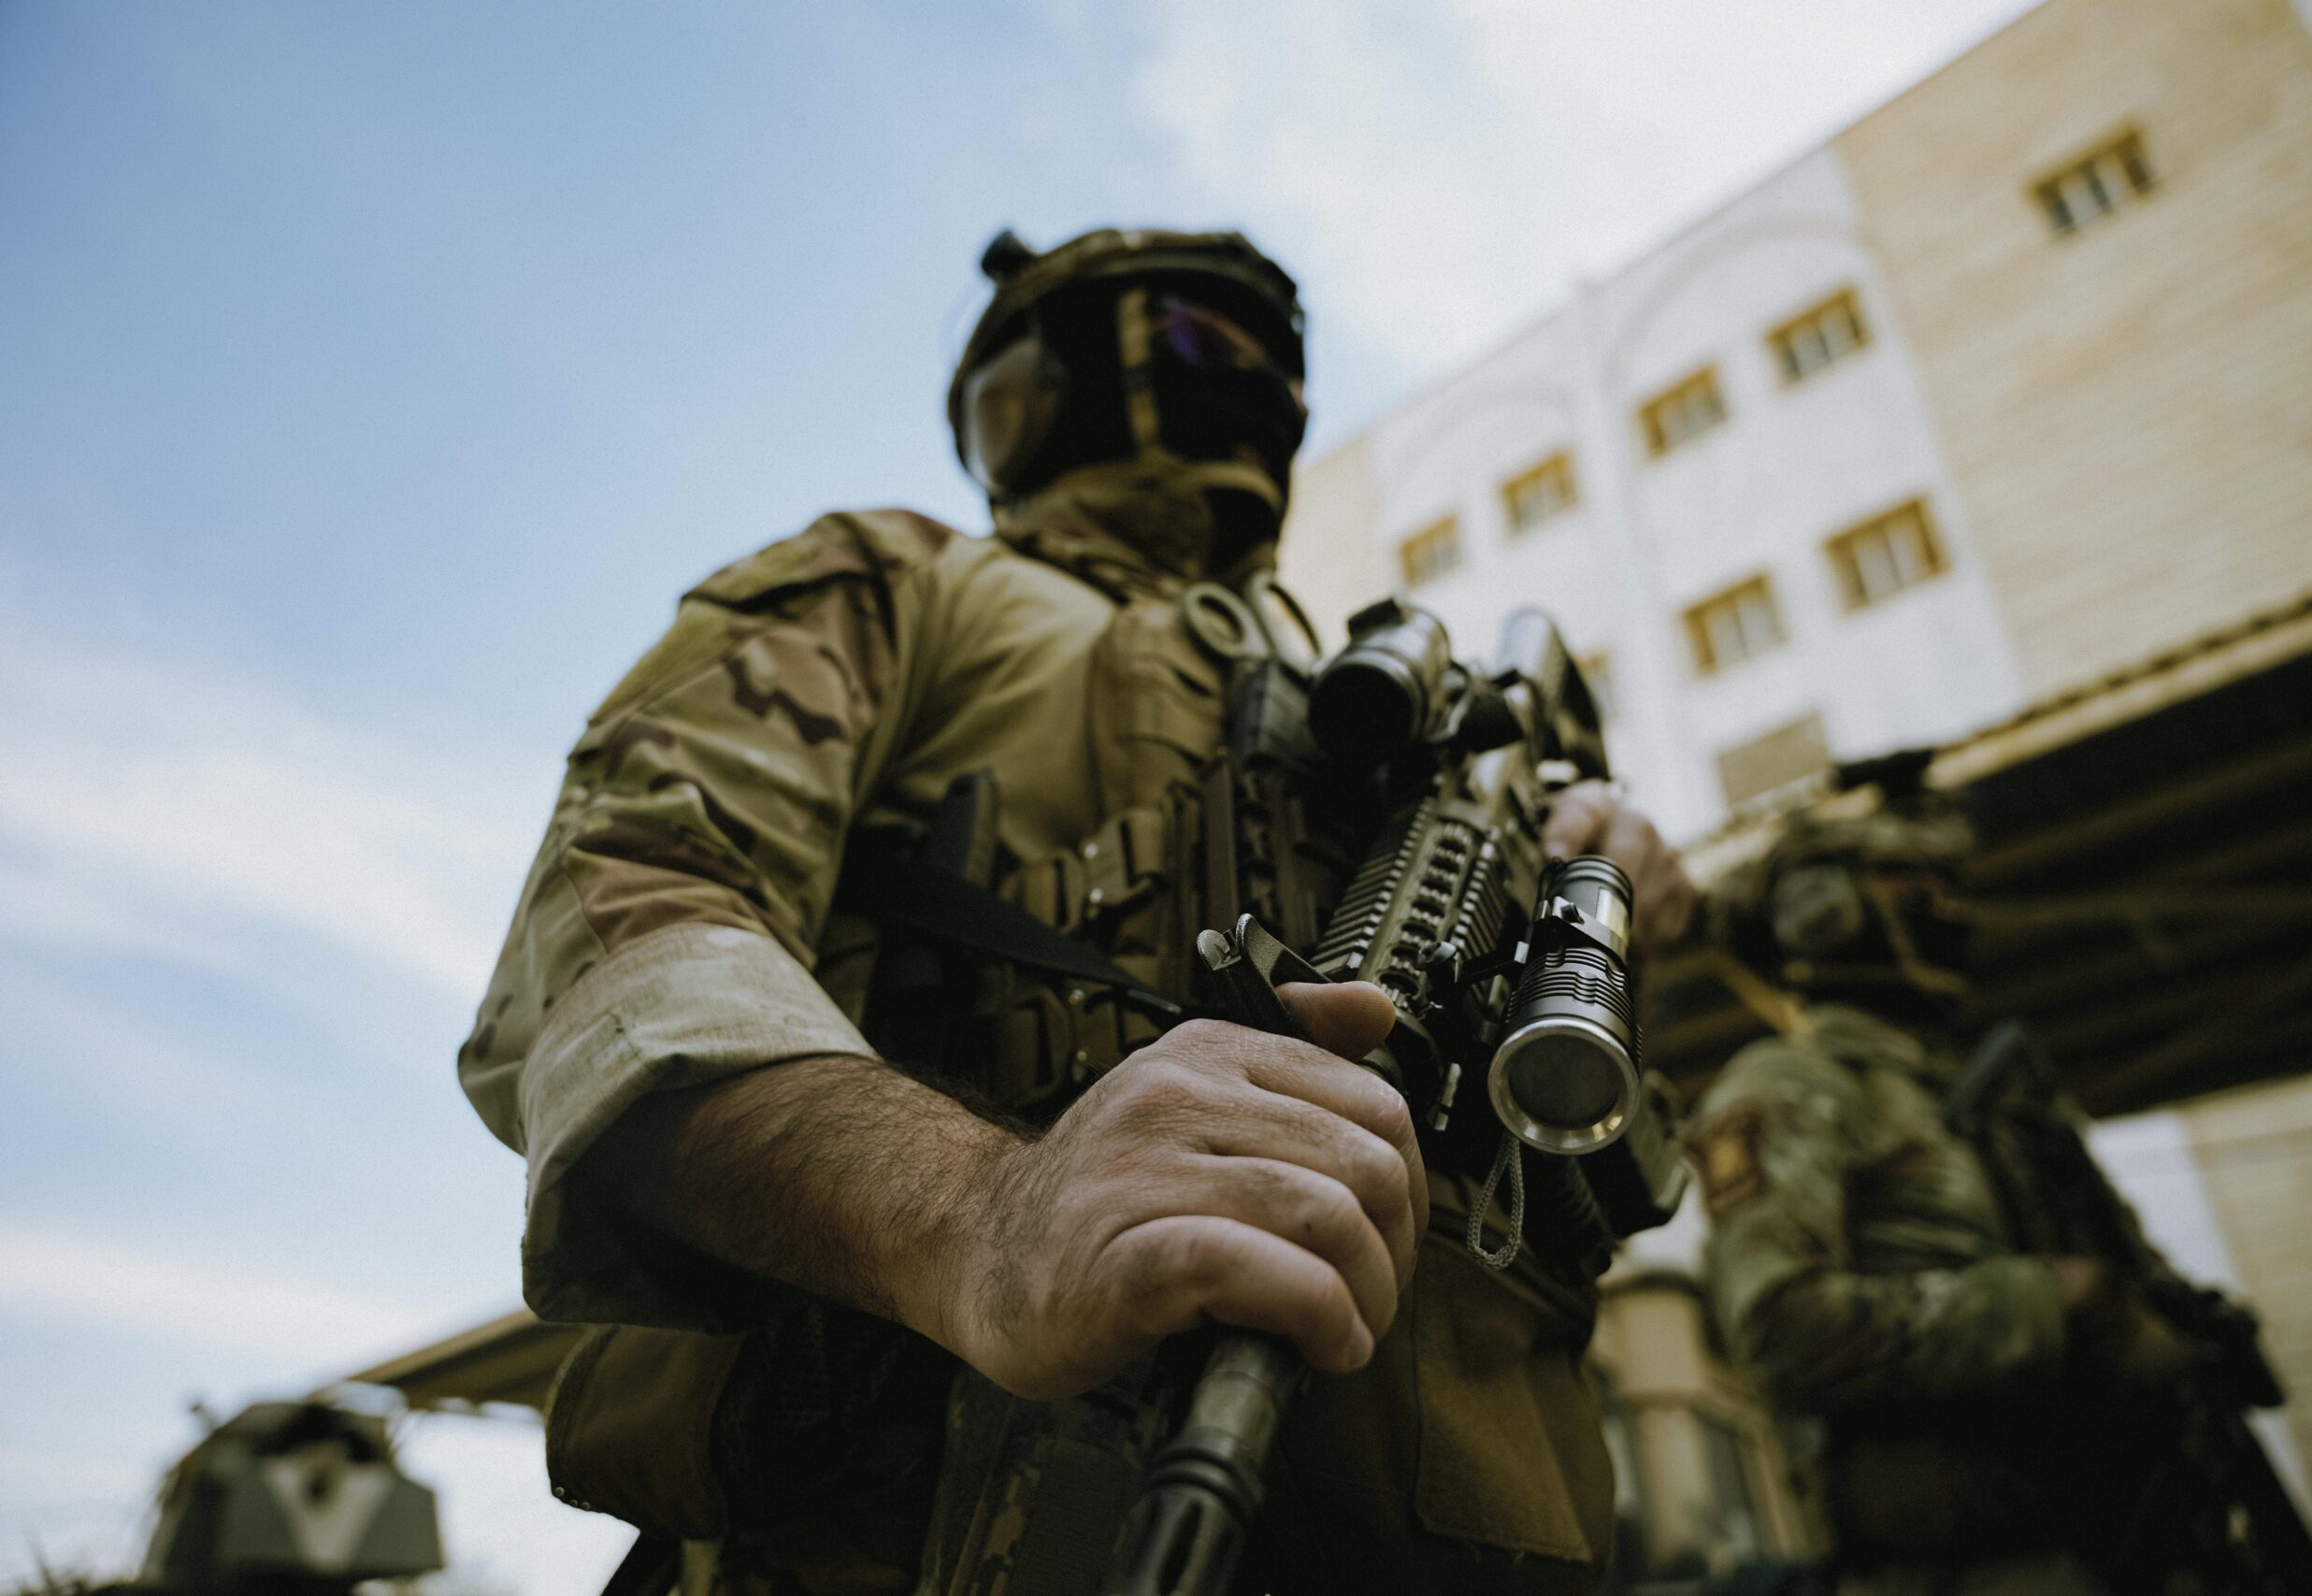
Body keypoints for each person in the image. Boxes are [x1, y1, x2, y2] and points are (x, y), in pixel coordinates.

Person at [458, 227, 1697, 1596]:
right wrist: (978, 1209)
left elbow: (1579, 1160)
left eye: (1275, 366)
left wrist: (1609, 912)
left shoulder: (1378, 718)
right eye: (1188, 339)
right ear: (1024, 394)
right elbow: (620, 938)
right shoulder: (903, 583)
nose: (1249, 387)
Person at [1686, 775, 2266, 1596]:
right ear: (1826, 911)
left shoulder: (2003, 1099)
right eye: (1920, 889)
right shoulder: (1791, 1084)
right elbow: (1782, 1328)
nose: (1951, 912)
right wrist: (2057, 1301)